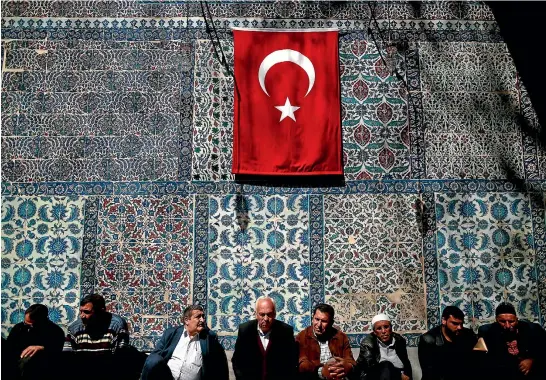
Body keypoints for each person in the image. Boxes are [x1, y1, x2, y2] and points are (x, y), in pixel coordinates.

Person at [141, 304, 229, 380]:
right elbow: (154, 357)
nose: (202, 320)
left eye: (203, 317)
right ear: (187, 320)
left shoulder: (209, 338)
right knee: (153, 359)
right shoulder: (171, 333)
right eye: (198, 317)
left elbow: (221, 366)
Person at [64, 294, 136, 380]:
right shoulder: (75, 328)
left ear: (101, 312)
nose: (82, 316)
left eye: (87, 312)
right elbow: (67, 358)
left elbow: (120, 358)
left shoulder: (117, 325)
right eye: (81, 311)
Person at [232, 296, 298, 380]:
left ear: (274, 314)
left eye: (269, 314)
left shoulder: (285, 332)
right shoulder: (245, 330)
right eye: (262, 314)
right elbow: (237, 361)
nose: (266, 319)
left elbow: (291, 362)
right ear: (256, 314)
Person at [478, 302, 546, 380]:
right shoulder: (487, 332)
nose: (507, 326)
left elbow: (543, 350)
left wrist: (531, 359)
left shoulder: (532, 330)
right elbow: (482, 360)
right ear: (496, 320)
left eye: (511, 321)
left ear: (516, 320)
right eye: (502, 322)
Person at [296, 303, 356, 380]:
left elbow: (350, 360)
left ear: (331, 323)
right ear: (312, 318)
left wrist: (347, 366)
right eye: (316, 319)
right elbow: (302, 364)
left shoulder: (341, 337)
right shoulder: (302, 337)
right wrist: (321, 371)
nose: (319, 325)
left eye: (324, 321)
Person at [4, 304, 65, 379]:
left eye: (30, 324)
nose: (25, 325)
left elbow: (57, 352)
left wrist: (42, 348)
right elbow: (9, 347)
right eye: (25, 322)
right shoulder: (19, 328)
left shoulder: (55, 331)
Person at [418, 306, 477, 380]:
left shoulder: (467, 334)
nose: (459, 327)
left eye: (461, 324)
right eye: (455, 323)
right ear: (444, 321)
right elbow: (429, 372)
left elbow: (474, 363)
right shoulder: (428, 339)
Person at [356, 314, 412, 380]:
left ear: (391, 328)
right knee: (386, 365)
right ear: (374, 332)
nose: (383, 331)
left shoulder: (399, 340)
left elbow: (406, 364)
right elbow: (369, 369)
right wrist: (399, 375)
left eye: (386, 327)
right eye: (379, 328)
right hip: (378, 377)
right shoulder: (368, 344)